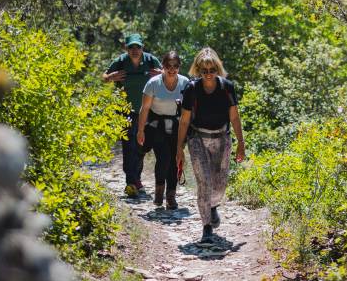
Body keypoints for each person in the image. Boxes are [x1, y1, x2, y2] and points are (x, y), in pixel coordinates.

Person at [176, 47, 245, 244]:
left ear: (217, 69)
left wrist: (241, 143)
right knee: (204, 182)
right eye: (204, 71)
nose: (208, 74)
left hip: (222, 138)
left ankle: (213, 206)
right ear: (198, 70)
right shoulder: (192, 89)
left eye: (212, 70)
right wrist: (179, 148)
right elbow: (184, 120)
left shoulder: (227, 87)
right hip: (197, 138)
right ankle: (207, 226)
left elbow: (234, 116)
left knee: (220, 184)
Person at [103, 33, 162, 197]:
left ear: (143, 47)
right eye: (131, 47)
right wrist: (111, 77)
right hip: (125, 110)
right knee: (128, 145)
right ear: (126, 48)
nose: (135, 50)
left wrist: (161, 75)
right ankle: (131, 182)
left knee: (142, 145)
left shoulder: (150, 60)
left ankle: (136, 178)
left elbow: (168, 75)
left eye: (138, 47)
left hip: (147, 110)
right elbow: (104, 77)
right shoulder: (121, 61)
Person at [137, 51, 189, 209]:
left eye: (175, 66)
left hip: (176, 127)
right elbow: (144, 109)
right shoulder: (153, 83)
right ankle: (159, 190)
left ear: (179, 67)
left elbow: (190, 110)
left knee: (175, 160)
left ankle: (171, 196)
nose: (172, 69)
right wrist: (140, 130)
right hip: (156, 126)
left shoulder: (185, 83)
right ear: (163, 66)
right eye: (168, 66)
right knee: (164, 157)